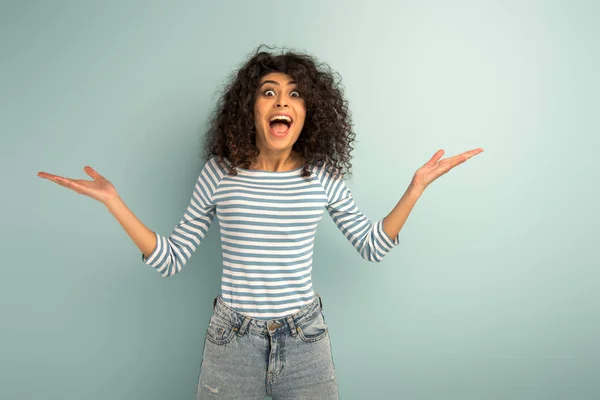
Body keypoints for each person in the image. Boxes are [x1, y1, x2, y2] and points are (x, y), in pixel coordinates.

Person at [38, 45, 483, 399]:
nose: (281, 102)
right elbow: (170, 259)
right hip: (232, 341)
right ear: (250, 108)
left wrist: (417, 187)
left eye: (294, 94)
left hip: (306, 339)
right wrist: (113, 201)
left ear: (308, 112)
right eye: (269, 92)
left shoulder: (322, 175)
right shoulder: (220, 171)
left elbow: (373, 245)